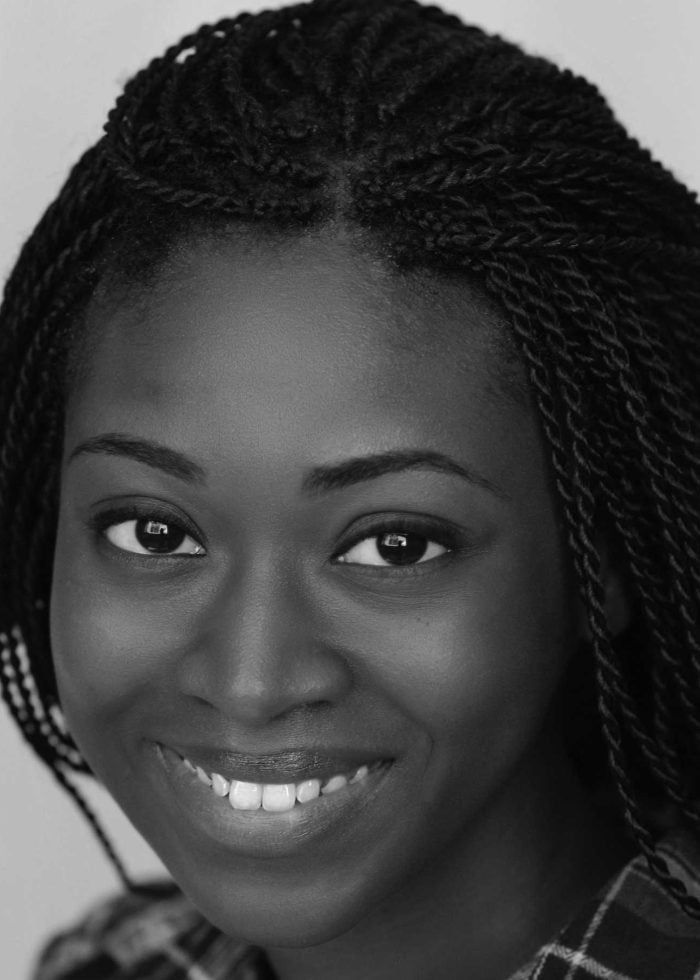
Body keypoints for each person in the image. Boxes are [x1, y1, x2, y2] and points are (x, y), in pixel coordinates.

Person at [2, 0, 700, 976]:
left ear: (603, 558)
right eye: (154, 531)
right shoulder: (115, 961)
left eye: (393, 544)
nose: (250, 680)